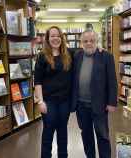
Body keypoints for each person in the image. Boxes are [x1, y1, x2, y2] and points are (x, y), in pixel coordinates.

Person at [71, 30, 117, 158]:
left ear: (97, 41)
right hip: (81, 105)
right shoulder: (77, 56)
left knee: (102, 136)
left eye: (92, 40)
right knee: (86, 136)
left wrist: (112, 102)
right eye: (85, 41)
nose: (89, 43)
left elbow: (112, 81)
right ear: (81, 43)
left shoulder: (106, 56)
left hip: (99, 105)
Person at [34, 26, 72, 158]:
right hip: (48, 102)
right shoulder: (42, 57)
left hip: (64, 102)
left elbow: (86, 51)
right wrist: (40, 101)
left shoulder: (68, 55)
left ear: (62, 38)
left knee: (63, 132)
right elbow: (37, 81)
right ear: (48, 39)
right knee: (48, 132)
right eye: (52, 36)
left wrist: (99, 49)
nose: (56, 38)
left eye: (58, 36)